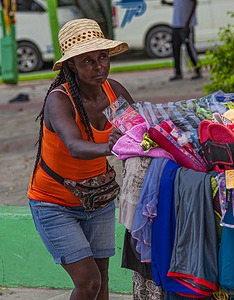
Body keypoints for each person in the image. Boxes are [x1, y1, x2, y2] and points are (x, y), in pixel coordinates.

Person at [27, 18, 134, 300]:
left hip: (97, 198)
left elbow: (139, 127)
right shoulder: (59, 99)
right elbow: (75, 146)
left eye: (102, 57)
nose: (99, 66)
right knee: (88, 283)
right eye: (87, 61)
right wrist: (111, 147)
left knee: (101, 280)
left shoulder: (115, 91)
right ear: (71, 65)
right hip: (53, 203)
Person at [161, 0, 202, 81]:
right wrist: (167, 3)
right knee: (175, 49)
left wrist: (188, 22)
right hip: (176, 24)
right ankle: (178, 73)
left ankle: (197, 70)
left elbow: (194, 3)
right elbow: (177, 4)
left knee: (190, 48)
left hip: (186, 25)